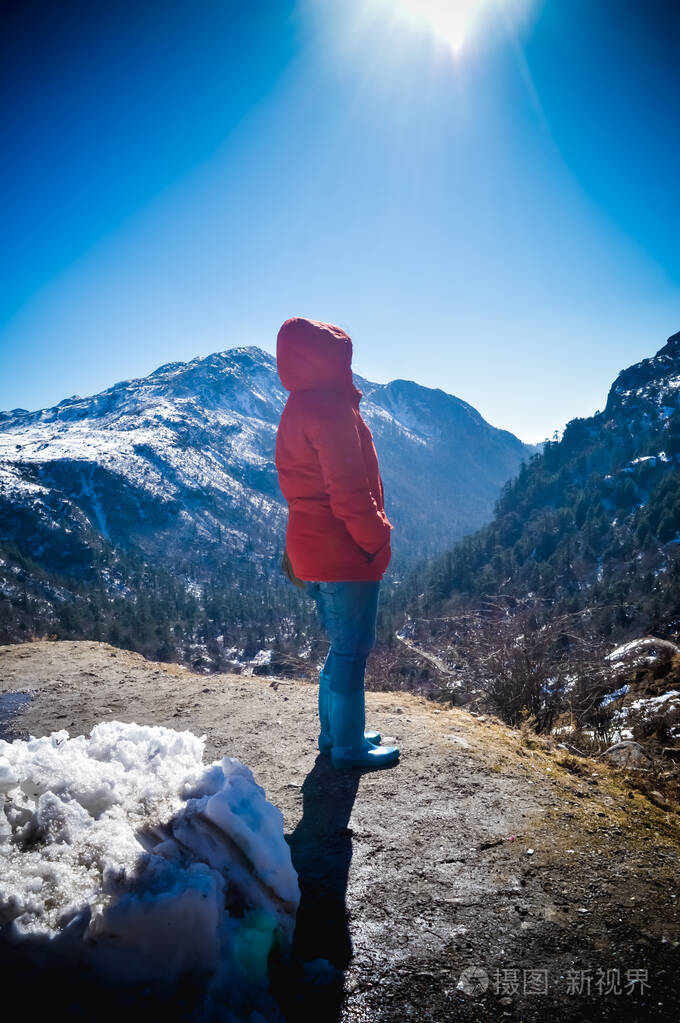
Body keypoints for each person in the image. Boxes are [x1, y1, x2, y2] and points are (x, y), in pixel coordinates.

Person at [274, 316, 400, 770]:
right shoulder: (330, 408)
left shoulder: (297, 406)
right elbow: (349, 493)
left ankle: (337, 735)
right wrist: (376, 539)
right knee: (352, 649)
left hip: (311, 549)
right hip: (345, 549)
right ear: (330, 359)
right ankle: (348, 748)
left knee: (339, 646)